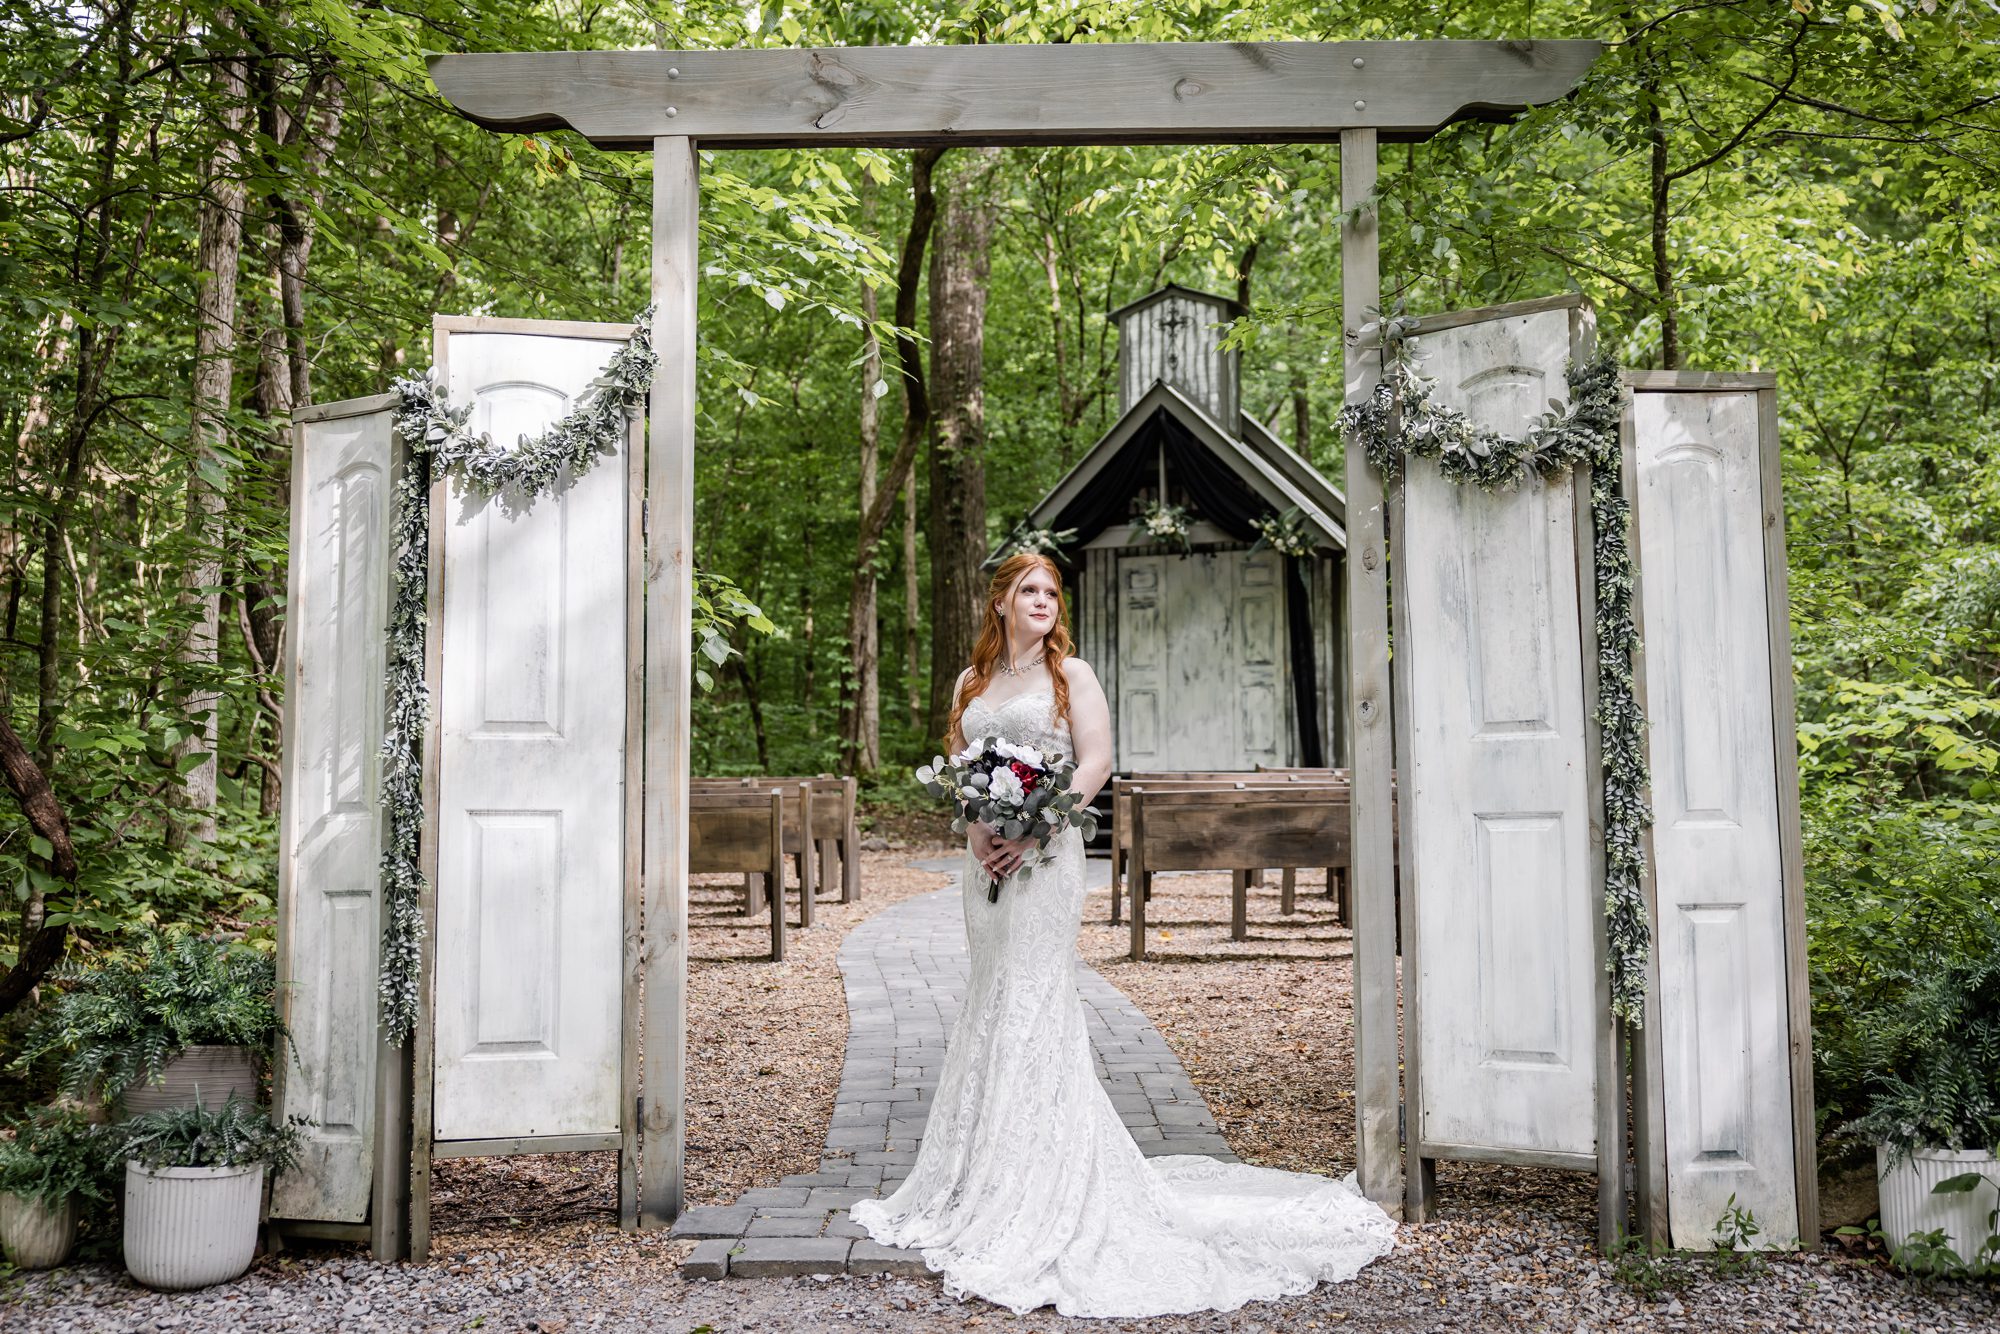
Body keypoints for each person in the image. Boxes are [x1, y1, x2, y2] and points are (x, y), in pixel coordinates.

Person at [849, 552, 1396, 1318]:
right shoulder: (970, 683)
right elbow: (960, 761)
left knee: (1034, 1001)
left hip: (1048, 857)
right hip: (985, 867)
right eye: (1027, 590)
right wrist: (978, 825)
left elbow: (1097, 760)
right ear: (1000, 601)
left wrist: (1034, 832)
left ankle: (1044, 1182)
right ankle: (983, 1172)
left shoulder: (1075, 675)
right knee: (991, 998)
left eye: (1050, 591)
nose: (1041, 600)